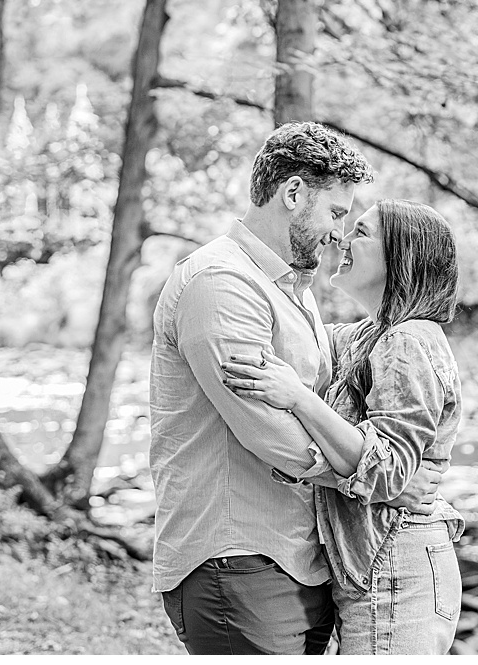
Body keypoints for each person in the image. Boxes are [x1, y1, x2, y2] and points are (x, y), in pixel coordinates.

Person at [148, 123, 445, 655]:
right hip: (238, 556)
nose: (338, 234)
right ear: (292, 194)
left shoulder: (295, 292)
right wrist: (380, 481)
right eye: (336, 213)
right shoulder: (222, 283)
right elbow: (273, 436)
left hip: (300, 560)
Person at [222, 198, 466, 655]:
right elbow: (296, 332)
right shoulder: (363, 336)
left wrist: (297, 396)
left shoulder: (408, 341)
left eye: (362, 233)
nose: (341, 238)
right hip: (377, 562)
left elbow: (389, 473)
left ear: (401, 256)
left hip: (398, 564)